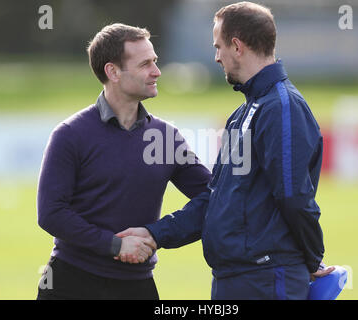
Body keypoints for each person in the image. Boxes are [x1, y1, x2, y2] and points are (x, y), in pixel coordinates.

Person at [118, 2, 334, 300]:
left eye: (218, 46)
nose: (216, 57)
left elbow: (294, 195)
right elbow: (215, 196)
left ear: (237, 46)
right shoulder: (243, 113)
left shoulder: (283, 108)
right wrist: (157, 234)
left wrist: (312, 258)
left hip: (267, 279)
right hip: (235, 278)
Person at [36, 23, 211, 300]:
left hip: (137, 286)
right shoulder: (70, 134)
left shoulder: (166, 137)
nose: (157, 71)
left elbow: (214, 197)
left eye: (155, 61)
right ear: (113, 71)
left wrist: (157, 233)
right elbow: (51, 213)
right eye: (145, 64)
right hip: (69, 284)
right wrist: (114, 245)